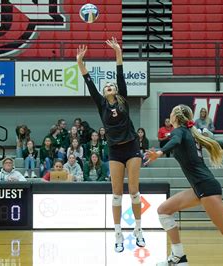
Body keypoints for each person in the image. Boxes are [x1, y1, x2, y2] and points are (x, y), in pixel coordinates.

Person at [145, 104, 223, 265]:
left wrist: (159, 153)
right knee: (164, 211)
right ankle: (178, 257)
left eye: (171, 112)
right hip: (200, 187)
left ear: (175, 117)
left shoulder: (179, 132)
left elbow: (174, 141)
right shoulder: (193, 134)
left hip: (205, 187)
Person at [77, 37, 146, 252]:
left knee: (134, 190)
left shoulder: (123, 99)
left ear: (116, 90)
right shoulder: (101, 104)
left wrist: (118, 52)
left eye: (111, 86)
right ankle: (117, 233)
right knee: (117, 193)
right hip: (115, 150)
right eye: (106, 86)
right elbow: (88, 81)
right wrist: (80, 62)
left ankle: (138, 229)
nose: (108, 87)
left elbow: (120, 74)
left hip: (132, 147)